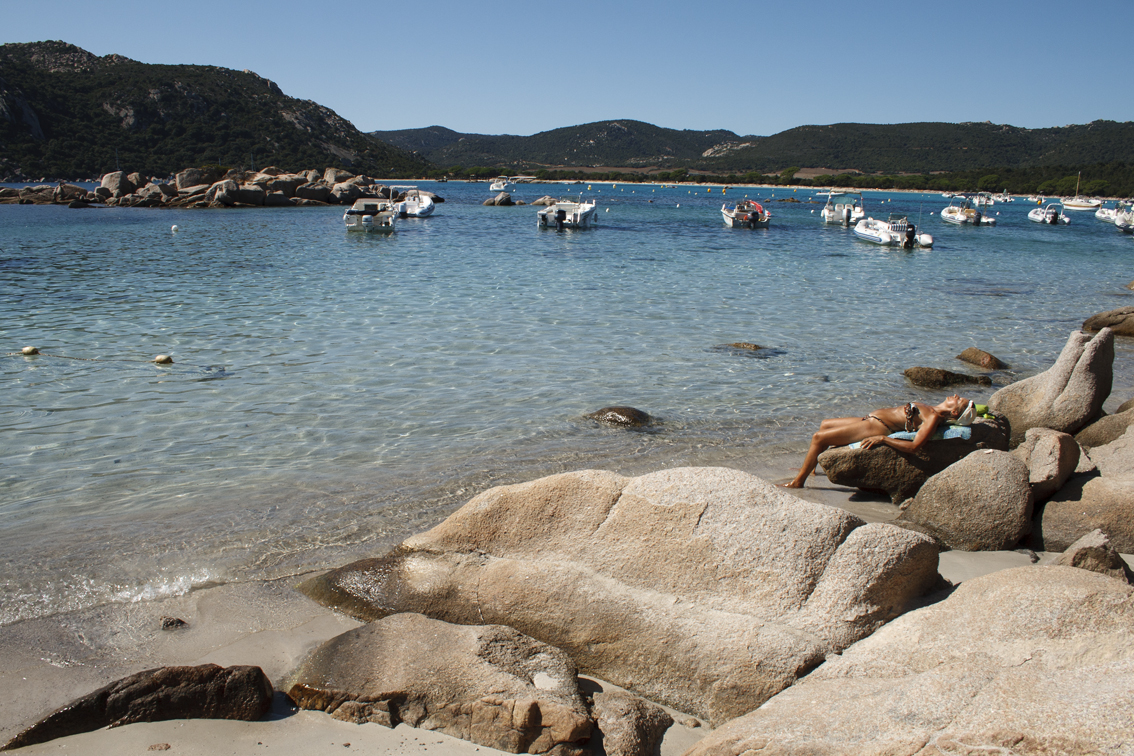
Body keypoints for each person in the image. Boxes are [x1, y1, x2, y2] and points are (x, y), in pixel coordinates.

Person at [781, 394, 973, 489]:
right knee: (825, 425)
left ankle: (799, 482)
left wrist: (883, 439)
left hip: (876, 427)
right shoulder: (931, 410)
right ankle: (812, 468)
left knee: (818, 437)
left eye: (958, 400)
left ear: (954, 412)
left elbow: (914, 447)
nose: (955, 396)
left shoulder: (931, 418)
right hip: (870, 420)